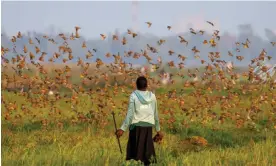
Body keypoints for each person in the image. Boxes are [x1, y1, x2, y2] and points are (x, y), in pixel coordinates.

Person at [115, 76, 162, 166]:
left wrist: (122, 129)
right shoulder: (152, 96)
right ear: (147, 85)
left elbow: (130, 115)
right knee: (147, 154)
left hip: (136, 128)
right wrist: (158, 130)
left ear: (136, 85)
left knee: (137, 154)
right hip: (148, 127)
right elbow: (155, 114)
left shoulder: (134, 95)